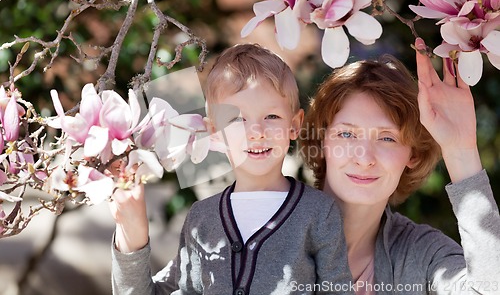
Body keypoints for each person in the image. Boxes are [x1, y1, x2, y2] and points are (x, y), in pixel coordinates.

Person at [110, 43, 354, 294]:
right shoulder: (201, 218)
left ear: (294, 125)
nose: (256, 132)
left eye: (271, 117)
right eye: (237, 119)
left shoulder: (318, 212)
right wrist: (131, 236)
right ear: (214, 132)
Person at [299, 38, 500, 294]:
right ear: (322, 140)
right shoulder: (271, 228)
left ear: (412, 155)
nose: (364, 157)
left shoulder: (422, 254)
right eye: (347, 135)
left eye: (387, 138)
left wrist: (461, 149)